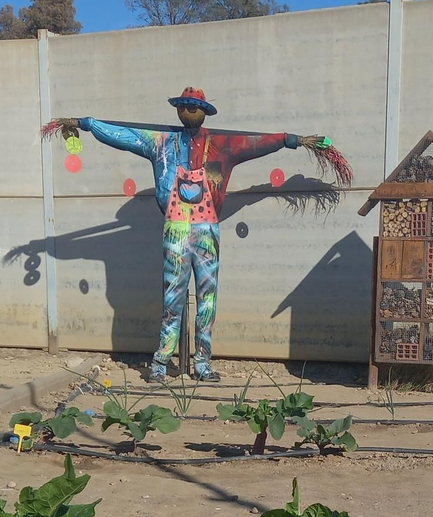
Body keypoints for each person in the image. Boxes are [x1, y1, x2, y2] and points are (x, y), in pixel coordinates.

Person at [65, 88, 311, 382]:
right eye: (185, 106)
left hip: (207, 229)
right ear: (178, 110)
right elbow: (124, 136)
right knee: (172, 299)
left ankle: (202, 363)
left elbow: (258, 143)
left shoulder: (222, 146)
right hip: (176, 229)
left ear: (204, 111)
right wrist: (89, 124)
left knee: (208, 299)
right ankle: (160, 362)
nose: (189, 111)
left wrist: (287, 140)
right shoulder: (161, 143)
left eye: (194, 107)